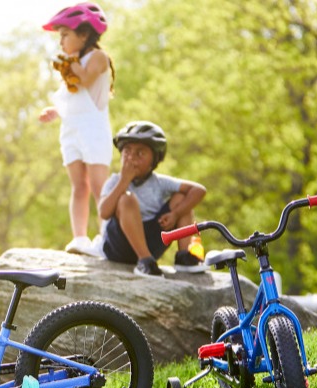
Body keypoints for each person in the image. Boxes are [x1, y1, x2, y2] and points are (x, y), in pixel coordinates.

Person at [40, 2, 115, 256]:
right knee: (78, 186)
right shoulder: (71, 62)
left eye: (65, 35)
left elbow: (86, 80)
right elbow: (70, 98)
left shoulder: (97, 58)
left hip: (93, 129)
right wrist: (55, 111)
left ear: (83, 34)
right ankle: (80, 238)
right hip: (71, 129)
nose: (60, 42)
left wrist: (69, 64)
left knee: (98, 186)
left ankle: (106, 240)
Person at [98, 121, 207, 277]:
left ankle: (183, 256)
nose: (132, 158)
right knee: (126, 200)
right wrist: (124, 181)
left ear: (154, 160)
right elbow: (104, 212)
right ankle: (145, 261)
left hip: (152, 242)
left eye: (140, 153)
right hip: (119, 248)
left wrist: (175, 214)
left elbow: (199, 190)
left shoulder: (159, 182)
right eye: (127, 152)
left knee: (182, 198)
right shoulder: (114, 181)